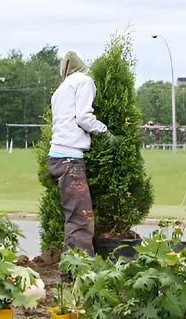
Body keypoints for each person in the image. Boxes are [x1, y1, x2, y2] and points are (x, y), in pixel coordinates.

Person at [47, 51, 118, 257]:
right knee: (81, 220)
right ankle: (75, 273)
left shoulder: (60, 90)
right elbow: (84, 117)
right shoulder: (84, 81)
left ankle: (71, 268)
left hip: (57, 158)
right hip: (69, 159)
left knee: (74, 217)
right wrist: (106, 133)